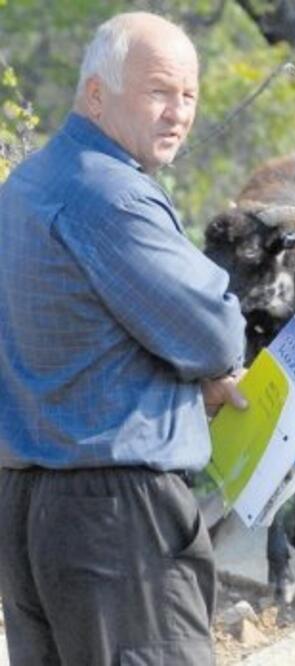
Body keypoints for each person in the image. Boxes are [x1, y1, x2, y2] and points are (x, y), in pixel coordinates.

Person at [0, 12, 247, 665]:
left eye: (189, 94)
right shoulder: (112, 195)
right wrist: (203, 373)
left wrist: (183, 387)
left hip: (27, 507)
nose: (179, 113)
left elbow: (75, 347)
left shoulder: (25, 186)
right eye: (159, 91)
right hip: (115, 517)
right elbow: (218, 335)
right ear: (96, 94)